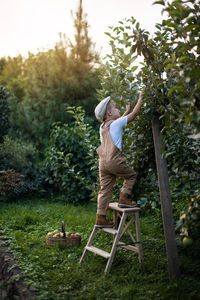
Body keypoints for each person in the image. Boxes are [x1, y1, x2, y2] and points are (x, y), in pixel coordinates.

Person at [94, 88, 145, 227]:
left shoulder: (103, 126)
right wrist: (141, 97)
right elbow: (134, 115)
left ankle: (101, 217)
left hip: (103, 163)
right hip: (114, 160)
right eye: (115, 107)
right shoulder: (116, 124)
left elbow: (117, 123)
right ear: (109, 112)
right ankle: (124, 197)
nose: (118, 110)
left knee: (104, 189)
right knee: (131, 176)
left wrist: (125, 112)